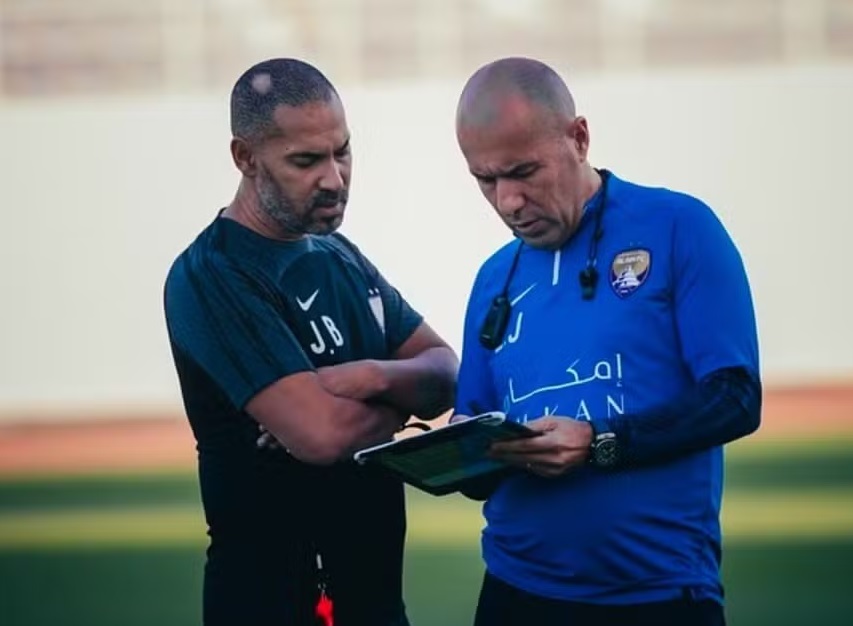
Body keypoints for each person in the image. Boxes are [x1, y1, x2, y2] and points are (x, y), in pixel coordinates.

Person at [451, 57, 762, 626]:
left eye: (523, 171)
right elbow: (476, 452)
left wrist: (600, 442)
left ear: (579, 138)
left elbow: (735, 398)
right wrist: (452, 453)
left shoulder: (678, 227)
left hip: (658, 597)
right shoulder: (493, 279)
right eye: (485, 179)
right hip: (513, 594)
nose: (507, 201)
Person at [163, 57, 458, 626]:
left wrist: (369, 379)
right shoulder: (212, 275)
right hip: (270, 605)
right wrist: (403, 402)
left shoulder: (338, 255)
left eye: (342, 151)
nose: (335, 178)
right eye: (306, 160)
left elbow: (447, 371)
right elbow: (323, 436)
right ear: (245, 158)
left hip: (373, 604)